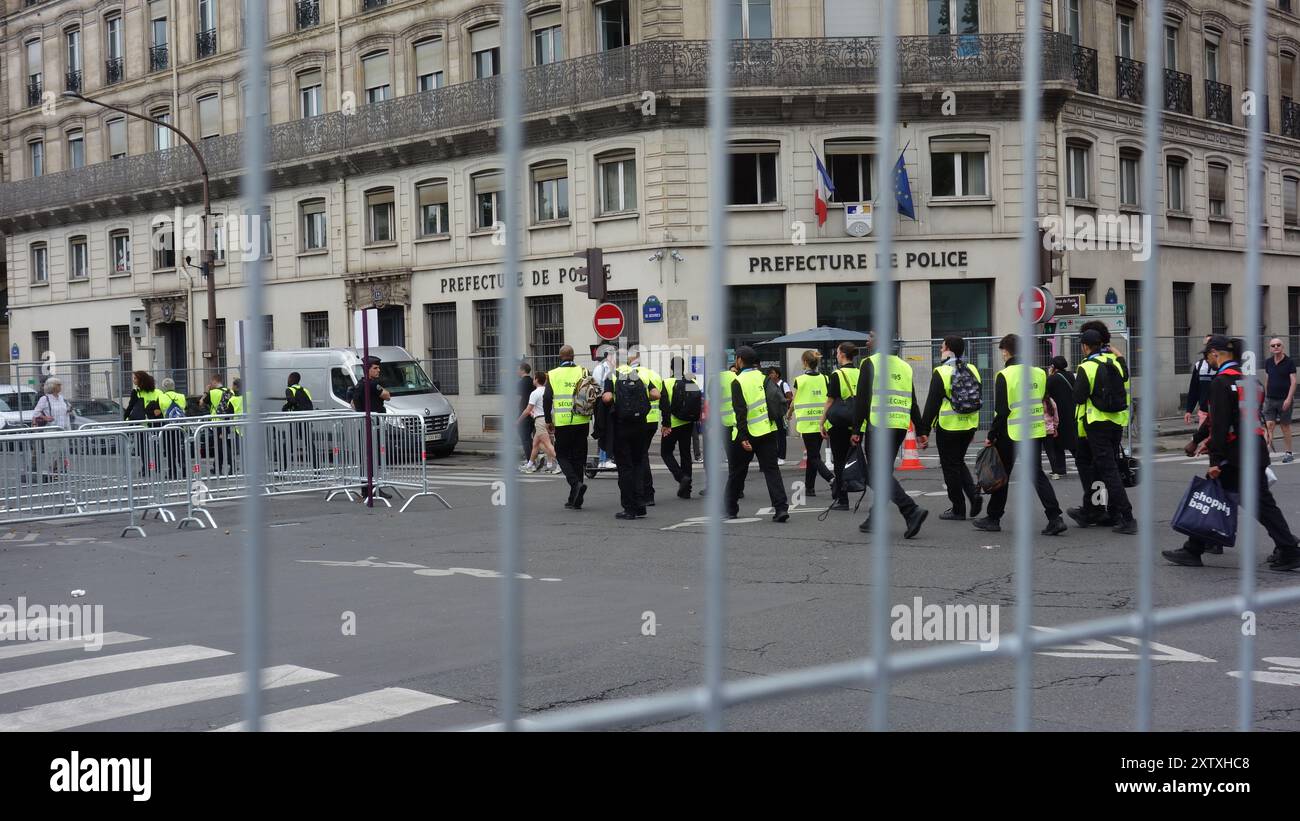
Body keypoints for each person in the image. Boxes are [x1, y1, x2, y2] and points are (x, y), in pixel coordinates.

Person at [1164, 336, 1300, 571]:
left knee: (1214, 497)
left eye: (1208, 356)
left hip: (1233, 455)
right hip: (1254, 449)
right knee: (1258, 503)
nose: (1208, 361)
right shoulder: (1252, 381)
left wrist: (1214, 460)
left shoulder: (1221, 383)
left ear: (1216, 353)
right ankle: (1288, 548)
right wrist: (1196, 440)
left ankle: (1193, 550)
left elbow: (1219, 423)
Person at [972, 334, 1067, 535]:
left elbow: (1002, 410)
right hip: (1034, 429)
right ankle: (1054, 517)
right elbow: (1042, 398)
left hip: (1011, 432)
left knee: (1001, 474)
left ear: (1006, 351)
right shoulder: (1039, 373)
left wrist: (991, 434)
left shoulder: (1004, 375)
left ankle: (993, 517)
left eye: (1002, 352)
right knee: (1037, 473)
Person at [851, 334, 929, 539]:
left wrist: (856, 429)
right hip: (899, 425)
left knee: (876, 474)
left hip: (879, 425)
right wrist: (920, 430)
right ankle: (874, 518)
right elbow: (912, 400)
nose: (867, 342)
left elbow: (862, 399)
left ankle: (911, 510)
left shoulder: (870, 363)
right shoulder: (904, 366)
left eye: (871, 337)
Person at [1069, 329, 1138, 534]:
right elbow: (1125, 374)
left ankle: (1126, 517)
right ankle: (1092, 510)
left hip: (1096, 423)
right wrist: (1121, 355)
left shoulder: (1087, 366)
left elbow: (1079, 397)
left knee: (1108, 470)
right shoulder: (1115, 362)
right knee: (1100, 467)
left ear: (1085, 347)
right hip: (1117, 422)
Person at [918, 336, 983, 521]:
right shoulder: (972, 369)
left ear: (948, 349)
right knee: (958, 461)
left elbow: (932, 404)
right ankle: (973, 495)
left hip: (948, 427)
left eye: (941, 347)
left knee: (949, 466)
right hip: (969, 425)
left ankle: (958, 508)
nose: (940, 350)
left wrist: (923, 431)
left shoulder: (941, 372)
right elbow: (977, 398)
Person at [726, 346, 789, 523]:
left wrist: (744, 437)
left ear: (739, 360)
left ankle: (730, 508)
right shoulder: (765, 378)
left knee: (737, 471)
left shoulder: (738, 381)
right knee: (771, 471)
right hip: (768, 430)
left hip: (747, 433)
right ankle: (781, 508)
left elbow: (740, 412)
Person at [603, 346, 661, 520]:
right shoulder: (640, 375)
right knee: (638, 464)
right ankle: (640, 504)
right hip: (641, 426)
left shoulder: (612, 376)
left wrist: (616, 398)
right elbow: (656, 394)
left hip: (622, 427)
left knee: (625, 467)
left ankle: (629, 508)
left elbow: (606, 398)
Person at [544, 345, 592, 509]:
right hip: (582, 421)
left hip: (563, 423)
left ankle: (575, 484)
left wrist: (548, 420)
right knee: (578, 458)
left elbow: (547, 398)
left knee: (562, 455)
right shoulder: (584, 371)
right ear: (573, 356)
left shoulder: (553, 374)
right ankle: (575, 499)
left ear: (560, 357)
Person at [819, 341, 861, 511]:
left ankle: (842, 499)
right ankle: (858, 485)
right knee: (854, 459)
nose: (836, 355)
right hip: (857, 422)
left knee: (839, 460)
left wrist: (821, 421)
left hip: (839, 423)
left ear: (842, 354)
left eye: (837, 352)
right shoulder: (861, 373)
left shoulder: (837, 374)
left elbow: (830, 400)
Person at [621, 347, 664, 506]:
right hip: (653, 420)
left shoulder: (629, 374)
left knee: (640, 457)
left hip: (639, 420)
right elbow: (662, 396)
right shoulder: (652, 374)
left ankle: (646, 493)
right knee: (641, 455)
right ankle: (644, 492)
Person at [790, 350, 834, 497]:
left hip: (807, 424)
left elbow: (793, 401)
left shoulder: (799, 380)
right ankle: (809, 488)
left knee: (813, 456)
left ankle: (832, 479)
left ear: (805, 362)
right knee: (813, 455)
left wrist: (788, 414)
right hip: (822, 422)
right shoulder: (825, 379)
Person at [350, 356, 392, 501]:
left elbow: (353, 404)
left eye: (378, 367)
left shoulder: (359, 385)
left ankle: (367, 489)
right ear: (367, 370)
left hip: (365, 426)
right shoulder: (373, 384)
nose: (378, 370)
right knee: (374, 458)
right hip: (373, 427)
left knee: (367, 458)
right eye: (375, 368)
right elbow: (387, 396)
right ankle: (373, 489)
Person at [660, 356, 698, 499]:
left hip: (672, 424)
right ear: (682, 367)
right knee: (685, 454)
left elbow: (664, 405)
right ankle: (687, 490)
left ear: (671, 367)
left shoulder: (667, 382)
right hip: (688, 423)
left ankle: (681, 477)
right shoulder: (691, 381)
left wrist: (665, 424)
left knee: (666, 452)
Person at [518, 372, 561, 474]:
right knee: (536, 444)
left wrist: (518, 421)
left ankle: (560, 464)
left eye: (534, 378)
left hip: (540, 420)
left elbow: (528, 410)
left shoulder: (535, 393)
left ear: (536, 380)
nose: (533, 380)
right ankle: (530, 465)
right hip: (549, 419)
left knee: (547, 445)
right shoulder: (548, 390)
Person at [123, 371, 163, 477]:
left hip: (148, 424)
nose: (133, 380)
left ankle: (149, 468)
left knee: (145, 448)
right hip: (148, 424)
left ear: (141, 380)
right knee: (147, 447)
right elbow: (131, 406)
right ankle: (151, 467)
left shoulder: (153, 392)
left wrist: (125, 418)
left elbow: (130, 407)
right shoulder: (139, 392)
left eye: (135, 378)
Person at [1263, 337, 1296, 463]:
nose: (1275, 347)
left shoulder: (1289, 362)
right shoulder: (1268, 362)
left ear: (1282, 347)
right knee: (1269, 425)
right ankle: (1264, 453)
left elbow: (1293, 382)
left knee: (1285, 426)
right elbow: (1267, 380)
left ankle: (1288, 453)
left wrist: (1288, 399)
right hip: (1270, 399)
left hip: (1284, 399)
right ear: (1270, 349)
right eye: (1273, 346)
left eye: (1278, 345)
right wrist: (1266, 396)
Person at [1043, 356, 1076, 479]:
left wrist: (1049, 375)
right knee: (1073, 441)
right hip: (1071, 411)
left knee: (1057, 442)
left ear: (1054, 367)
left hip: (1058, 413)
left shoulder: (1053, 379)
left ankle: (1060, 468)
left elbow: (1045, 391)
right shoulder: (1070, 375)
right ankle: (1084, 464)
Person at [157, 377, 188, 480]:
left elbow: (160, 410)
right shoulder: (181, 396)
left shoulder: (161, 397)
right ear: (174, 386)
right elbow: (184, 407)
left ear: (164, 387)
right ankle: (184, 470)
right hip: (180, 426)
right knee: (181, 448)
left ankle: (172, 472)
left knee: (170, 450)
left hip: (168, 426)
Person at [590, 349, 617, 470]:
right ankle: (604, 459)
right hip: (602, 403)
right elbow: (597, 388)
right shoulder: (601, 368)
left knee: (608, 432)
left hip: (608, 403)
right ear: (609, 356)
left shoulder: (611, 368)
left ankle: (605, 458)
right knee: (604, 430)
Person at [1183, 335, 1214, 428]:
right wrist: (1189, 410)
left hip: (1220, 412)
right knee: (1203, 440)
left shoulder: (1222, 365)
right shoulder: (1199, 365)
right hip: (1204, 412)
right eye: (1206, 343)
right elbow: (1194, 389)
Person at [768, 366, 793, 465]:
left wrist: (783, 403)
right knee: (773, 435)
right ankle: (775, 455)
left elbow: (790, 398)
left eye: (772, 373)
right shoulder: (769, 385)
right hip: (772, 413)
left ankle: (781, 457)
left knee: (781, 435)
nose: (770, 375)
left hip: (781, 414)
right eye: (769, 373)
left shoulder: (783, 384)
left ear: (777, 374)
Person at [517, 362, 536, 469]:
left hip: (523, 414)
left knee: (525, 438)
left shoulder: (520, 383)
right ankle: (532, 459)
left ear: (522, 370)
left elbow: (518, 399)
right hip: (533, 414)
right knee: (532, 438)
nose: (517, 371)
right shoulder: (533, 382)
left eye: (518, 369)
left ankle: (530, 461)